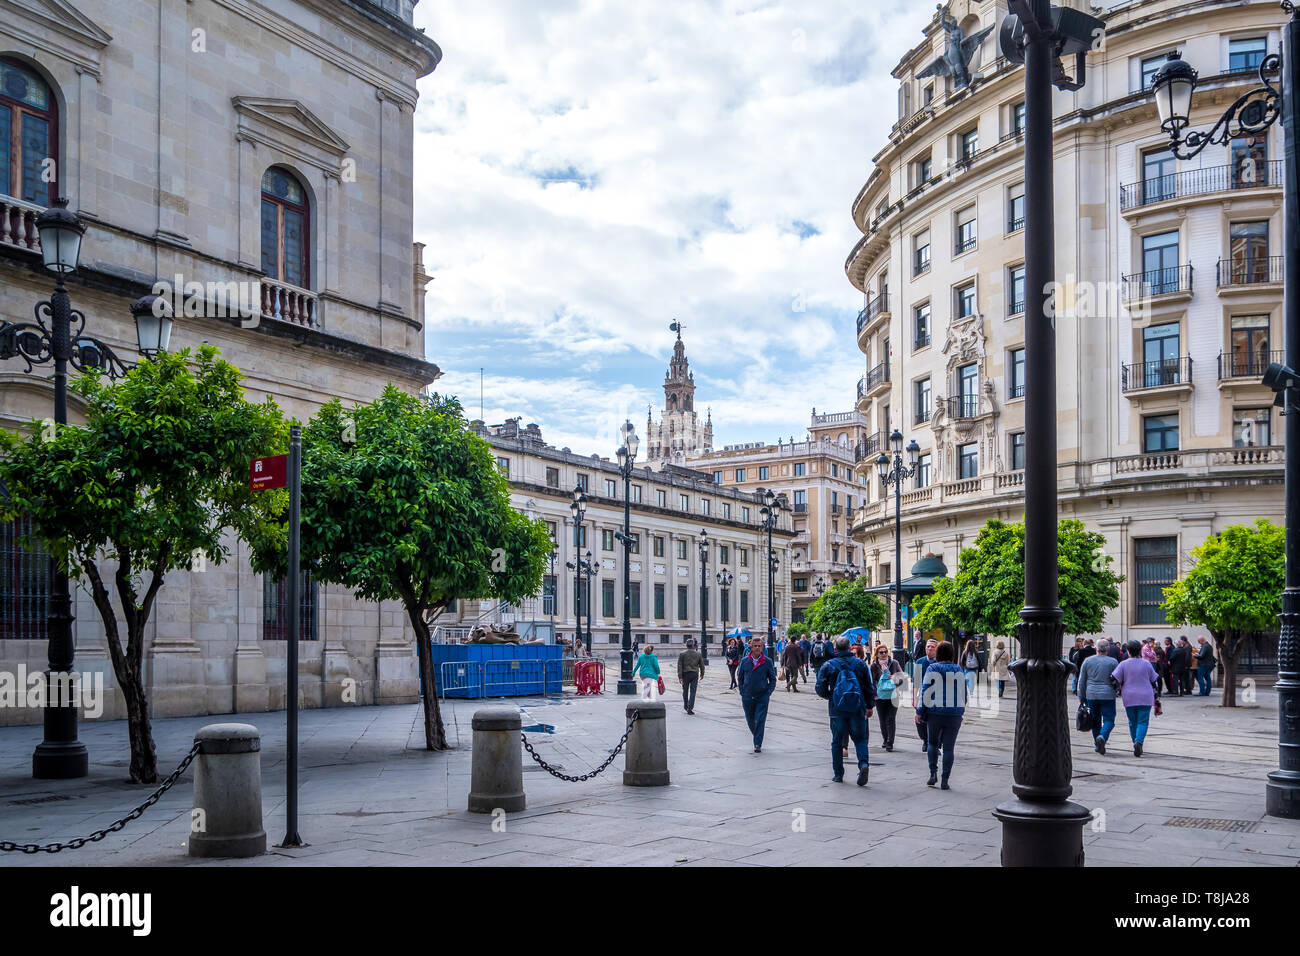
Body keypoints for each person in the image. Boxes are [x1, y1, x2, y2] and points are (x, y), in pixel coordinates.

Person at [815, 636, 876, 785]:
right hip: (857, 707)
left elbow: (819, 688)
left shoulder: (829, 665)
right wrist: (869, 706)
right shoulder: (860, 664)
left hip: (837, 709)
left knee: (837, 741)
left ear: (835, 648)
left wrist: (831, 696)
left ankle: (838, 774)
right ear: (850, 648)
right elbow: (869, 687)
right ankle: (863, 764)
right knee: (861, 739)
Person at [918, 640, 966, 789]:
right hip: (954, 712)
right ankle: (945, 780)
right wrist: (960, 709)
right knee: (949, 748)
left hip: (935, 712)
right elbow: (964, 692)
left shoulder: (932, 668)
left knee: (932, 743)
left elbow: (925, 691)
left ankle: (933, 773)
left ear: (938, 653)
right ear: (952, 653)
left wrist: (920, 710)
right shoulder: (958, 669)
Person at [1112, 640, 1160, 756]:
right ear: (1140, 650)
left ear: (1128, 651)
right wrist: (1156, 695)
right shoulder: (1146, 664)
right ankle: (1139, 741)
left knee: (1132, 722)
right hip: (1145, 695)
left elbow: (1114, 679)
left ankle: (1135, 741)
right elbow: (1154, 681)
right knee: (1143, 721)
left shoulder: (1123, 664)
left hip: (1129, 696)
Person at [1078, 638, 1120, 755]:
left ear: (1096, 648)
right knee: (1109, 719)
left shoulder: (1087, 661)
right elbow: (1117, 680)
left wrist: (1081, 695)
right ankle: (1102, 736)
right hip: (1108, 695)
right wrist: (1116, 689)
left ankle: (1097, 744)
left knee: (1095, 720)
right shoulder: (1113, 662)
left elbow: (1082, 680)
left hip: (1091, 694)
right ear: (1108, 649)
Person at [737, 637, 777, 752]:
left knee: (760, 719)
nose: (757, 648)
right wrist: (742, 691)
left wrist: (768, 692)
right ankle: (757, 735)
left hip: (762, 696)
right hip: (747, 696)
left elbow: (772, 679)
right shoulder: (745, 661)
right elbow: (740, 678)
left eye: (760, 646)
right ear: (751, 647)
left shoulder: (767, 661)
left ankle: (757, 744)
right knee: (750, 719)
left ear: (762, 647)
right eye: (755, 646)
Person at [870, 643, 904, 750]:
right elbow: (871, 682)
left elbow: (902, 678)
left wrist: (895, 677)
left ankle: (890, 742)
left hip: (893, 695)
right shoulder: (873, 666)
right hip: (879, 697)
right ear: (877, 654)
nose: (884, 654)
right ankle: (885, 738)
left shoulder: (894, 663)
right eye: (881, 652)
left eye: (885, 652)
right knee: (882, 719)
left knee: (890, 718)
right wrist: (874, 694)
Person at [911, 639, 939, 751]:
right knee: (920, 720)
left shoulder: (940, 662)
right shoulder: (919, 662)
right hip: (923, 696)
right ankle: (925, 740)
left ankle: (934, 743)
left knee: (935, 721)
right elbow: (916, 682)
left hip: (937, 697)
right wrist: (914, 698)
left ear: (937, 649)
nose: (930, 649)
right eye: (928, 646)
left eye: (932, 647)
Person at [677, 638, 705, 714]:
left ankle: (686, 706)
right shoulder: (698, 654)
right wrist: (702, 674)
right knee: (693, 691)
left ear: (686, 645)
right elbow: (702, 665)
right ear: (693, 645)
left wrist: (680, 677)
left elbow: (679, 666)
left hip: (685, 674)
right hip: (694, 674)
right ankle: (690, 707)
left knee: (685, 691)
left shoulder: (682, 654)